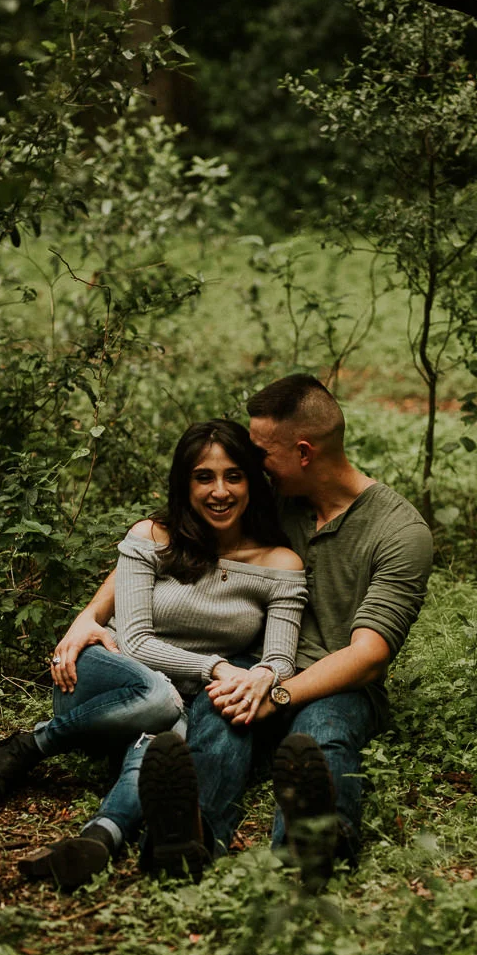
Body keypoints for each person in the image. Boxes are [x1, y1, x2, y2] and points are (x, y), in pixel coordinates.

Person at [0, 419, 307, 889]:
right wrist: (218, 667)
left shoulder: (280, 565)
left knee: (169, 736)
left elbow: (280, 661)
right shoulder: (152, 537)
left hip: (176, 702)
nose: (219, 491)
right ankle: (35, 742)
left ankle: (100, 837)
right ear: (184, 483)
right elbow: (139, 640)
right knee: (164, 704)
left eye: (233, 475)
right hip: (108, 674)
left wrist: (263, 676)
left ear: (252, 480)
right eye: (203, 477)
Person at [137, 374, 433, 889]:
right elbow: (164, 539)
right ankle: (187, 838)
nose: (252, 465)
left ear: (302, 452)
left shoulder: (400, 533)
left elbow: (369, 656)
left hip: (335, 680)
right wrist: (88, 617)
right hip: (252, 664)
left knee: (321, 735)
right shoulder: (272, 500)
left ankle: (314, 842)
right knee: (218, 719)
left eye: (261, 452)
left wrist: (278, 690)